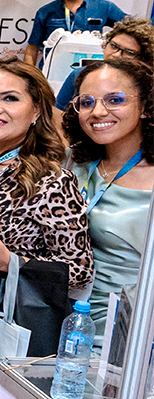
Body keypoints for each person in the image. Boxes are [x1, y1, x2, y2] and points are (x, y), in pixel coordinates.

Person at [0, 58, 92, 313]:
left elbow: (79, 272)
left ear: (37, 111)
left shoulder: (50, 182)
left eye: (10, 98)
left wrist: (10, 261)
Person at [64, 58, 154, 332]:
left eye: (115, 100)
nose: (98, 111)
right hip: (60, 319)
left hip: (126, 333)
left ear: (145, 106)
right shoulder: (73, 162)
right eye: (87, 102)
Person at [26, 0, 128, 68]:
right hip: (52, 75)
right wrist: (31, 80)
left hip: (89, 74)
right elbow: (31, 50)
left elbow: (133, 29)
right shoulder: (45, 12)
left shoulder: (104, 7)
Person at [54, 17, 154, 110]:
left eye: (129, 52)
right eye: (114, 46)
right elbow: (57, 114)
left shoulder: (148, 85)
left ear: (143, 59)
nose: (117, 55)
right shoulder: (79, 75)